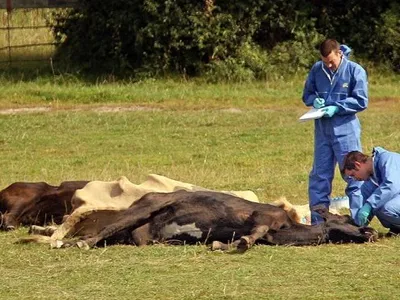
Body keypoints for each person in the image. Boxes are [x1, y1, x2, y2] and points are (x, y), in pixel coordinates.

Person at [302, 38, 369, 225]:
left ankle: (359, 221)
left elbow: (361, 100)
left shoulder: (355, 71)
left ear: (339, 53)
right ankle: (318, 221)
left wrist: (337, 107)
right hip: (323, 131)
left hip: (346, 131)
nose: (329, 65)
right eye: (325, 62)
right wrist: (314, 100)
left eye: (331, 61)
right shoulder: (317, 69)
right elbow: (307, 94)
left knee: (354, 174)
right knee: (319, 176)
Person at [342, 147, 400, 235]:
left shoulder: (387, 159)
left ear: (358, 165)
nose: (355, 179)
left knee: (388, 208)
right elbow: (364, 206)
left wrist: (369, 205)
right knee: (378, 207)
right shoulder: (370, 180)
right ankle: (397, 228)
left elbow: (391, 185)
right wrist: (356, 226)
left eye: (353, 175)